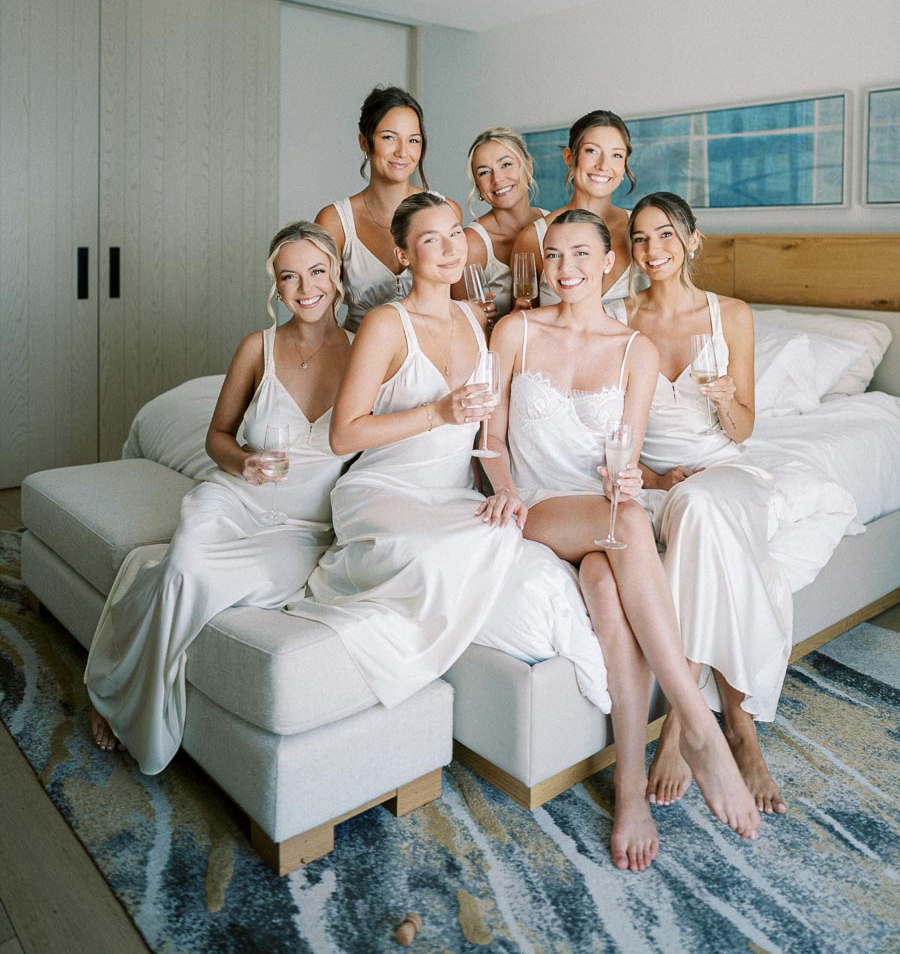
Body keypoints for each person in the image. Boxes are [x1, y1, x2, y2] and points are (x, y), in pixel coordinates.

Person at [486, 209, 761, 870]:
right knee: (631, 522)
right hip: (541, 507)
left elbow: (625, 457)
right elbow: (490, 440)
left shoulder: (634, 348)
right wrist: (503, 487)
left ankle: (631, 789)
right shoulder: (515, 331)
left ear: (610, 262)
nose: (565, 270)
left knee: (609, 587)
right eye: (554, 256)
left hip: (604, 512)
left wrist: (635, 475)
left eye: (581, 255)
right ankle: (697, 723)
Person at [287, 192, 609, 716]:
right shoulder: (386, 324)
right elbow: (343, 436)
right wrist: (438, 413)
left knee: (515, 544)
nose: (449, 247)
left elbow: (490, 429)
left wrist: (506, 486)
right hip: (385, 490)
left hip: (451, 493)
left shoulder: (472, 318)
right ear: (403, 255)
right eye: (429, 239)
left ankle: (600, 671)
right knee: (434, 556)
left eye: (455, 232)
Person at [608, 192, 856, 817]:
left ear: (692, 241)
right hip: (658, 481)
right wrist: (657, 479)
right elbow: (605, 430)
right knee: (694, 509)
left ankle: (678, 729)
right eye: (639, 239)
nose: (652, 250)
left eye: (665, 235)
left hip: (728, 470)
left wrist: (724, 401)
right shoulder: (617, 316)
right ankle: (737, 727)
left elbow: (743, 429)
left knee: (702, 506)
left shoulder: (732, 316)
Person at [85, 222, 355, 773]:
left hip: (303, 528)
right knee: (187, 566)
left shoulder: (365, 353)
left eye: (317, 271)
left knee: (202, 580)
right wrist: (245, 462)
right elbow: (217, 439)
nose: (306, 288)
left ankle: (143, 591)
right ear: (275, 288)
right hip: (234, 499)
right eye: (290, 276)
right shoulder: (258, 348)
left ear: (338, 275)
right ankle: (115, 696)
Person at [316, 85, 461, 332]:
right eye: (389, 137)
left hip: (428, 358)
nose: (403, 152)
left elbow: (457, 303)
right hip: (356, 355)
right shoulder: (335, 222)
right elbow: (320, 318)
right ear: (364, 142)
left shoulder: (446, 211)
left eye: (413, 140)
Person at [511, 109, 648, 307]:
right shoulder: (533, 238)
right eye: (592, 151)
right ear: (569, 157)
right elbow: (522, 319)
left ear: (625, 165)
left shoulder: (641, 230)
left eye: (616, 155)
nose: (603, 165)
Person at [450, 127, 546, 319]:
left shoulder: (552, 225)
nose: (498, 179)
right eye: (485, 172)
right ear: (478, 186)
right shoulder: (472, 243)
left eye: (506, 165)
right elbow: (460, 323)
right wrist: (480, 317)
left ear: (528, 166)